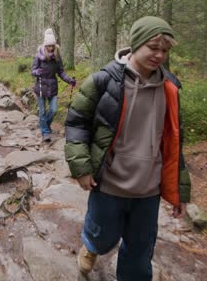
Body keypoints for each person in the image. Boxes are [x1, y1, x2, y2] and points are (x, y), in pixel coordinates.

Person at [64, 16, 191, 280]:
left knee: (140, 251)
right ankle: (91, 247)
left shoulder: (170, 88)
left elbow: (173, 143)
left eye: (165, 51)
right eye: (153, 47)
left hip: (148, 189)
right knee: (101, 234)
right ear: (135, 44)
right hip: (109, 183)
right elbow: (77, 121)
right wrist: (81, 167)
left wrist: (179, 190)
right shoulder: (103, 81)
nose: (159, 55)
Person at [31, 28, 76, 143]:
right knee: (42, 111)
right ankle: (45, 132)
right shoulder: (38, 56)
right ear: (45, 46)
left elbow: (61, 72)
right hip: (41, 87)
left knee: (53, 109)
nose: (51, 48)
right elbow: (33, 70)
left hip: (52, 87)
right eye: (48, 46)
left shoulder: (57, 57)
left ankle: (43, 124)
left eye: (52, 46)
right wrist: (37, 72)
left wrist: (69, 80)